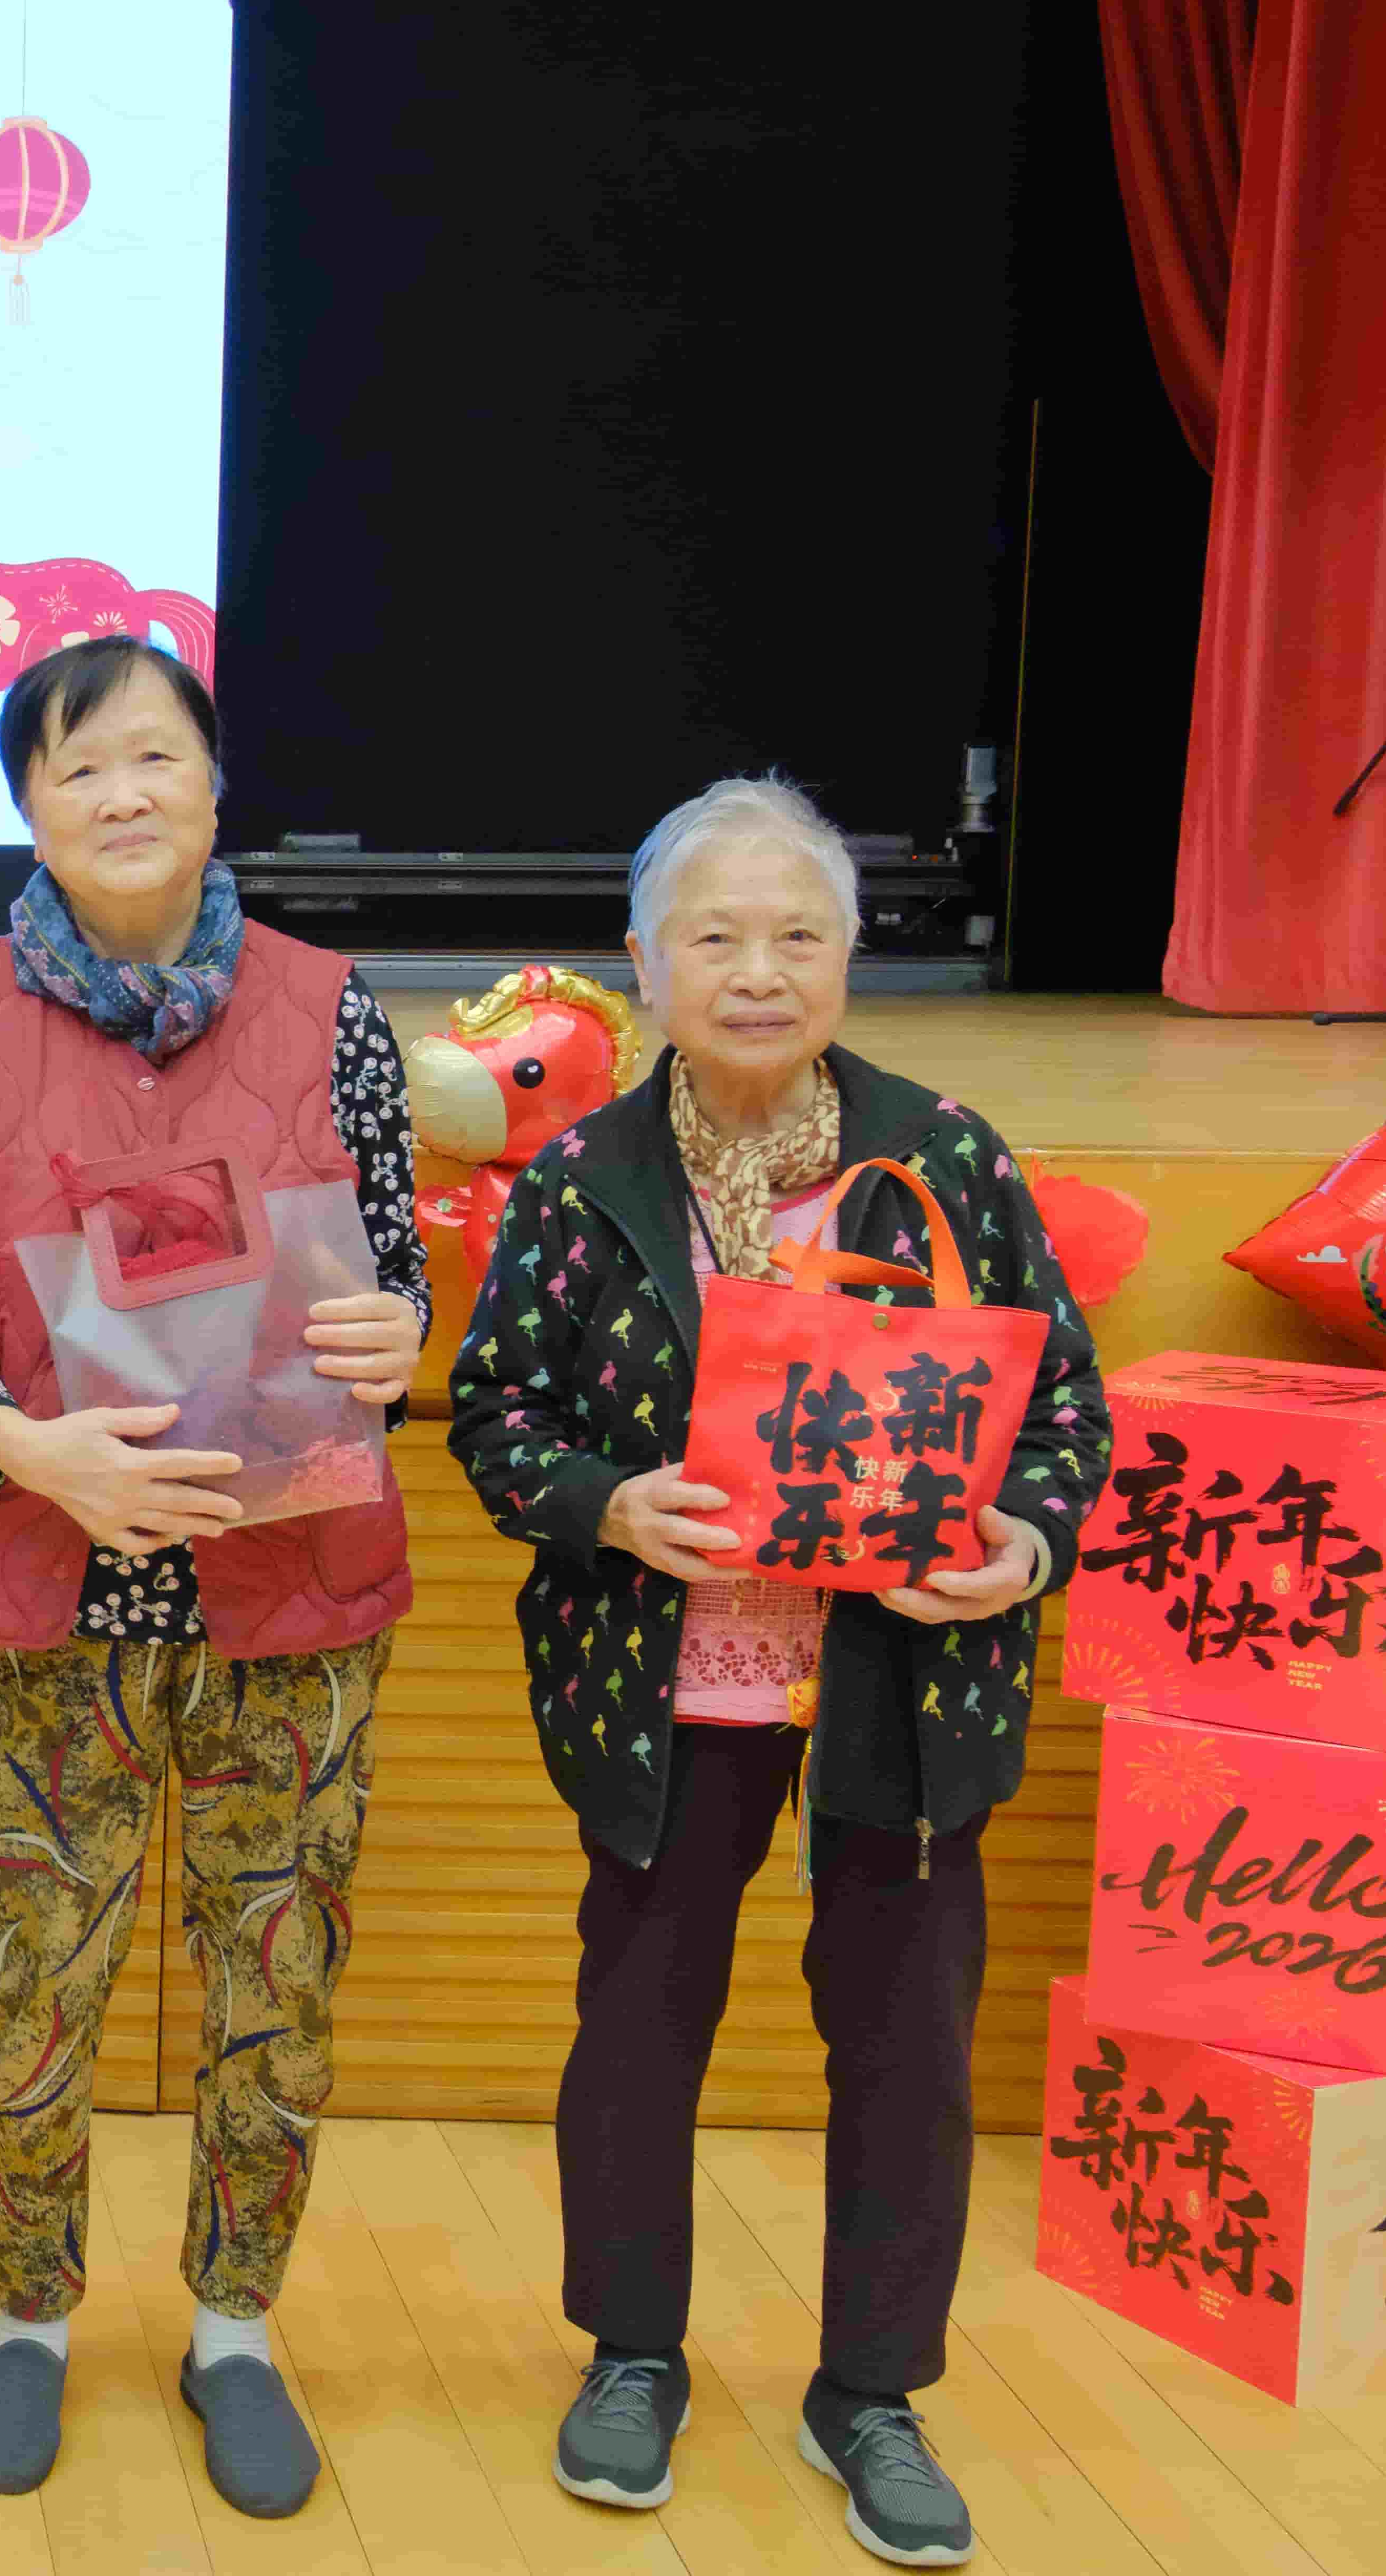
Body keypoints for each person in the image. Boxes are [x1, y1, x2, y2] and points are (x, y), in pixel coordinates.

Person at [446, 775, 1106, 2570]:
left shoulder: (947, 1153)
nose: (759, 971)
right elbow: (495, 1415)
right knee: (640, 2020)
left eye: (799, 934)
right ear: (643, 964)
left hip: (905, 1672)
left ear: (851, 957)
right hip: (672, 1672)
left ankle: (872, 2391)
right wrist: (605, 1502)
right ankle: (631, 2356)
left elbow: (1066, 1403)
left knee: (907, 2038)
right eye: (717, 937)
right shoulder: (583, 1175)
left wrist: (1025, 1544)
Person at [0, 634, 428, 2514]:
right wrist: (34, 1453)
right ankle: (28, 2316)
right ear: (30, 808)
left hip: (288, 1583)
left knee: (280, 1972)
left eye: (155, 755)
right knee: (35, 1971)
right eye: (78, 766)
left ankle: (237, 2328)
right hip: (51, 1575)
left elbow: (393, 1271)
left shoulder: (332, 1004)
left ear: (213, 780)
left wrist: (398, 1339)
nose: (123, 793)